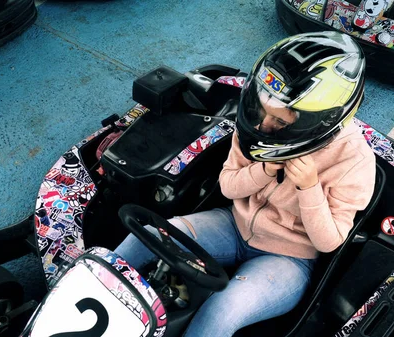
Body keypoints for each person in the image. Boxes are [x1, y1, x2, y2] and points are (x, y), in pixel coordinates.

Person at [115, 31, 376, 337]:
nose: (263, 124)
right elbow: (228, 187)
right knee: (146, 237)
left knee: (221, 310)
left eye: (280, 122)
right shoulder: (255, 130)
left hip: (289, 258)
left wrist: (309, 188)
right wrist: (264, 170)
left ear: (318, 122)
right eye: (262, 109)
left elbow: (328, 242)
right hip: (233, 225)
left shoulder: (354, 161)